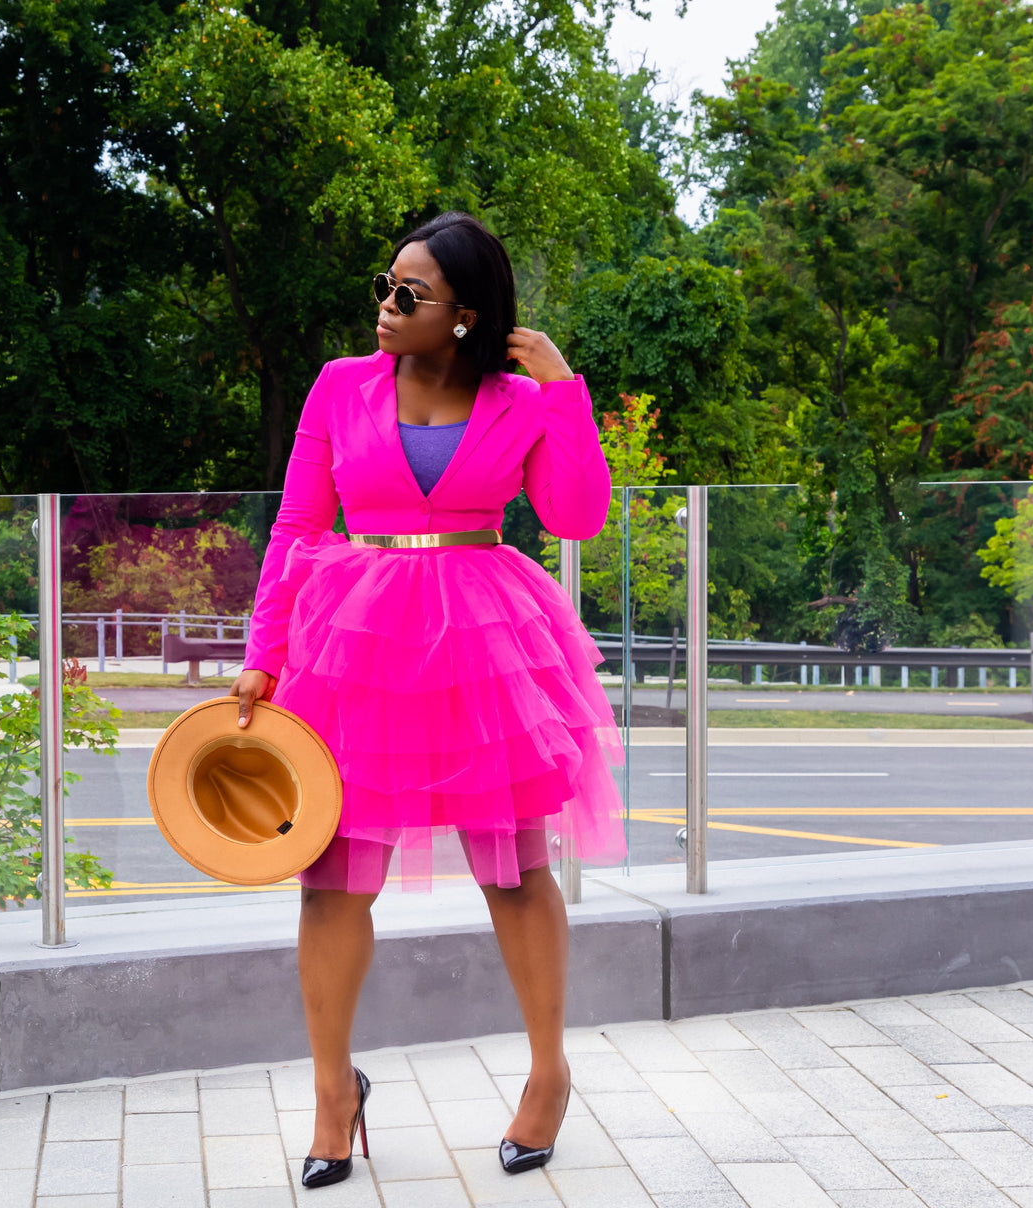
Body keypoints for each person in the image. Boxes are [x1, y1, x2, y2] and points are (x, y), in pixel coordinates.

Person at [228, 211, 627, 1189]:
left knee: (511, 868)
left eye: (410, 293)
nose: (385, 306)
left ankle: (546, 1071)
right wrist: (261, 654)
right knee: (329, 875)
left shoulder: (516, 400)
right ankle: (332, 1091)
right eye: (384, 283)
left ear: (463, 315)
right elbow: (293, 523)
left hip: (483, 642)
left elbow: (574, 515)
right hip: (352, 645)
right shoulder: (337, 385)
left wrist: (564, 390)